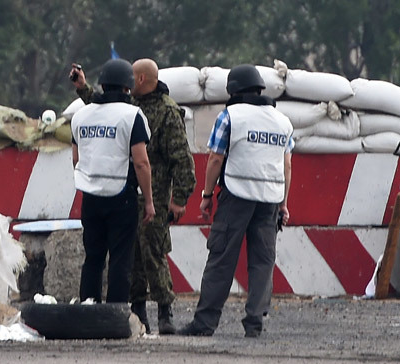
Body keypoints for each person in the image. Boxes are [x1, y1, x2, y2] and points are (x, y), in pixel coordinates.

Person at [71, 59, 196, 334]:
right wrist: (82, 88)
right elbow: (103, 107)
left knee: (153, 253)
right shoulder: (132, 108)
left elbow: (182, 160)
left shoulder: (167, 111)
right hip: (128, 193)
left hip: (155, 193)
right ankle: (135, 309)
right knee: (129, 258)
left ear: (139, 80)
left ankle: (165, 311)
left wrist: (180, 198)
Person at [177, 64, 294, 338]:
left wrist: (206, 195)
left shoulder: (231, 116)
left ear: (233, 90)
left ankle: (204, 324)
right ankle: (255, 323)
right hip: (270, 201)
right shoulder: (283, 121)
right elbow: (286, 165)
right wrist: (284, 204)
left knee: (221, 258)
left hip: (236, 195)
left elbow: (216, 158)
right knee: (263, 260)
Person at [69, 58, 155, 304]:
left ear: (102, 85)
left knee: (93, 258)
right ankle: (116, 313)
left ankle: (88, 308)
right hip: (122, 197)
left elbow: (76, 159)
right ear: (128, 87)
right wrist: (148, 201)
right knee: (120, 259)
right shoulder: (132, 115)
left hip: (90, 197)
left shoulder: (81, 115)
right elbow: (141, 162)